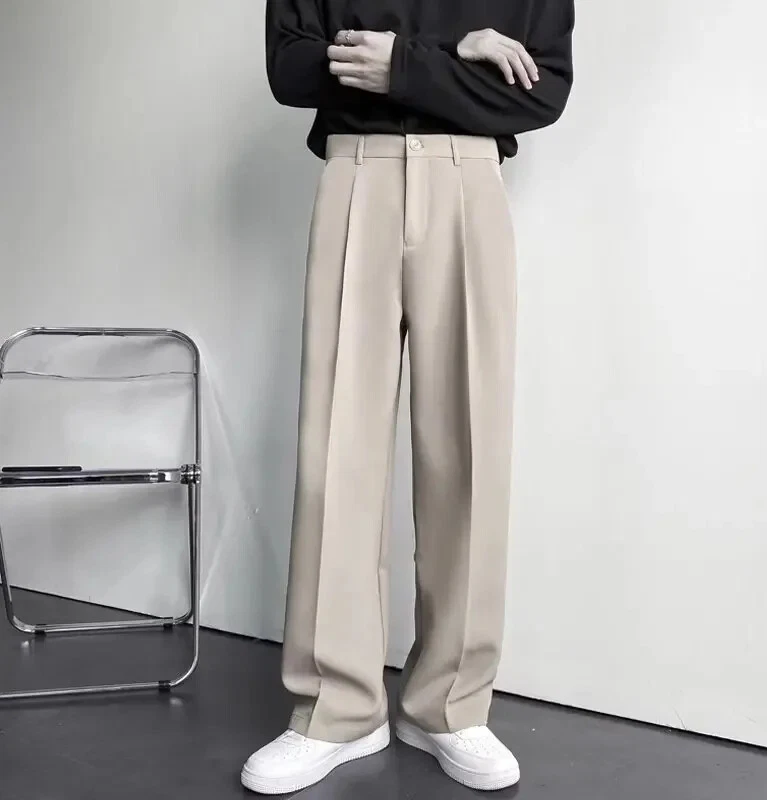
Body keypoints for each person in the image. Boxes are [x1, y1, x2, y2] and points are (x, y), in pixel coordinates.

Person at [242, 0, 574, 794]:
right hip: (356, 173)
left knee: (467, 444)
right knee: (337, 448)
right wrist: (458, 57)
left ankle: (451, 706)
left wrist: (402, 65)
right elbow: (291, 67)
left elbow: (543, 90)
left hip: (469, 179)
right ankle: (335, 709)